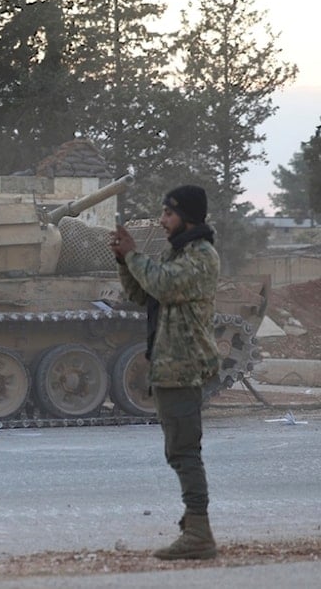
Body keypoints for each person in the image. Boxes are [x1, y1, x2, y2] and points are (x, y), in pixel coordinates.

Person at [109, 185, 220, 561]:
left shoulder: (202, 256)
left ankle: (200, 534)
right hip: (169, 364)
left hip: (183, 365)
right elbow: (144, 294)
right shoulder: (179, 252)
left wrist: (134, 256)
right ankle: (194, 526)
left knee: (184, 451)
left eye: (168, 214)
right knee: (179, 450)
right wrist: (125, 263)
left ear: (187, 216)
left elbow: (164, 285)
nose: (162, 220)